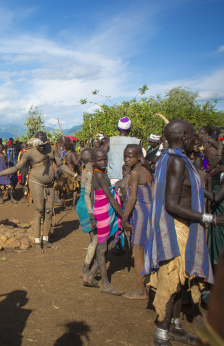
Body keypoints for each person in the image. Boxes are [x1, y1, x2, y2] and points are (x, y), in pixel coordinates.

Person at [143, 120, 218, 346]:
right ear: (184, 135)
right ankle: (161, 335)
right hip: (175, 229)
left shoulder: (175, 159)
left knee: (179, 282)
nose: (197, 140)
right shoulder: (176, 162)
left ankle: (175, 327)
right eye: (194, 135)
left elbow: (206, 194)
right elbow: (172, 205)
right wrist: (209, 218)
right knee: (171, 282)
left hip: (181, 226)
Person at [0, 132, 80, 252]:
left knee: (49, 210)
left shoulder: (52, 149)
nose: (42, 147)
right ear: (35, 143)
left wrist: (75, 175)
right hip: (36, 182)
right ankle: (37, 242)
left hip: (50, 183)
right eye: (40, 145)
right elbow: (16, 168)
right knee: (39, 210)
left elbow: (61, 165)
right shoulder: (29, 153)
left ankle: (45, 239)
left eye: (44, 144)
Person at [82, 148, 124, 294]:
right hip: (104, 213)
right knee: (102, 248)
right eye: (100, 160)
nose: (104, 162)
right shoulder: (98, 176)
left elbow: (94, 196)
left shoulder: (101, 174)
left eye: (105, 159)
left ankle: (91, 275)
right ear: (93, 162)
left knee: (111, 243)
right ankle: (105, 284)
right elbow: (111, 198)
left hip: (104, 212)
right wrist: (123, 216)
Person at [120, 144, 153, 300]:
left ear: (139, 157)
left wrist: (124, 218)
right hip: (150, 215)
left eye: (129, 156)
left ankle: (140, 290)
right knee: (147, 251)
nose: (127, 159)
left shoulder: (134, 173)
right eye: (125, 156)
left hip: (140, 217)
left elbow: (132, 198)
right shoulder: (146, 171)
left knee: (138, 252)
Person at [76, 149, 96, 281]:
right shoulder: (90, 173)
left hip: (82, 204)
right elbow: (88, 195)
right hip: (86, 206)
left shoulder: (86, 170)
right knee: (95, 239)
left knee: (93, 238)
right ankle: (85, 268)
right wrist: (92, 214)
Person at [101, 117, 142, 185]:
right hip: (131, 177)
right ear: (130, 129)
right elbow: (141, 160)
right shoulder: (136, 142)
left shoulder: (109, 140)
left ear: (118, 128)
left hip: (113, 177)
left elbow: (101, 155)